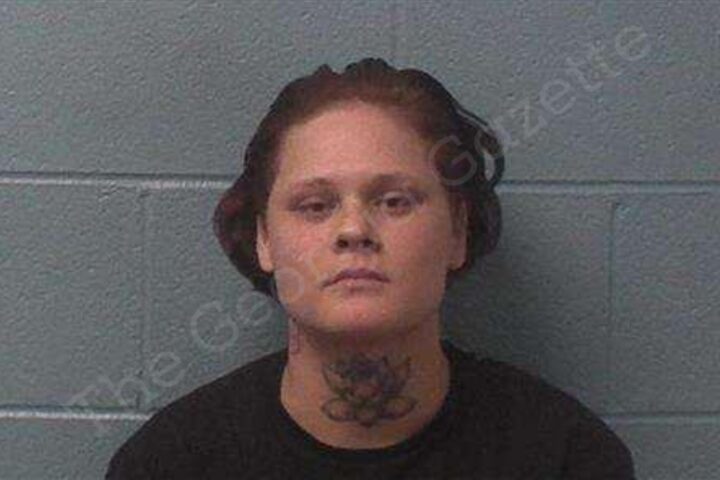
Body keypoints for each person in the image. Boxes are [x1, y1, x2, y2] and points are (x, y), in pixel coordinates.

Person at [106, 57, 635, 479]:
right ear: (264, 238)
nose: (354, 230)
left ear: (457, 232)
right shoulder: (170, 464)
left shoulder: (565, 459)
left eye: (395, 201)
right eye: (315, 205)